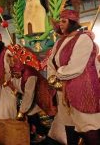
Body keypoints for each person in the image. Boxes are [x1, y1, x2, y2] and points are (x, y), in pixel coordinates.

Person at [47, 9, 100, 144]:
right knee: (69, 128)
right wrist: (53, 78)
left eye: (64, 21)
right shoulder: (59, 42)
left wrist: (57, 76)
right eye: (60, 21)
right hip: (62, 92)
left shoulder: (83, 39)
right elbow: (50, 63)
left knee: (88, 128)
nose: (61, 24)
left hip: (83, 90)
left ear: (73, 22)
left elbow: (76, 67)